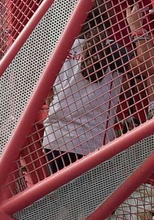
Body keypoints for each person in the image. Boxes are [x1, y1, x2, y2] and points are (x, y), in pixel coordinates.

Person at [42, 10, 127, 176]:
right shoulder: (112, 49)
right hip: (91, 140)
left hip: (55, 137)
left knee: (62, 190)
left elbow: (47, 90)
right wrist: (138, 30)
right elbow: (149, 67)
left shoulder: (60, 48)